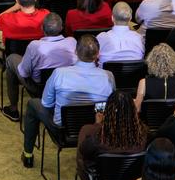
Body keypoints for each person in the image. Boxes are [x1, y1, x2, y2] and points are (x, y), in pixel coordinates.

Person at [20, 36, 113, 168]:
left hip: (64, 132)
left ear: (75, 52)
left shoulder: (59, 73)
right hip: (96, 128)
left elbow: (46, 103)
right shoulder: (108, 76)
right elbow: (109, 104)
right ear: (98, 54)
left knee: (33, 104)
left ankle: (28, 155)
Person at [2, 12, 75, 119]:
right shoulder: (72, 42)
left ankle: (13, 109)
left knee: (11, 59)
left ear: (42, 28)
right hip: (66, 87)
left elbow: (24, 73)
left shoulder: (35, 46)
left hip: (39, 89)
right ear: (61, 27)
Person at [76, 91, 148, 173]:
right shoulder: (144, 133)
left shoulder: (91, 133)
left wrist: (98, 125)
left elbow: (82, 157)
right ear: (133, 110)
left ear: (107, 110)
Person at [135, 43, 175, 109]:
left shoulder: (143, 82)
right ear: (174, 60)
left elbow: (138, 109)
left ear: (151, 61)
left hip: (150, 118)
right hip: (172, 118)